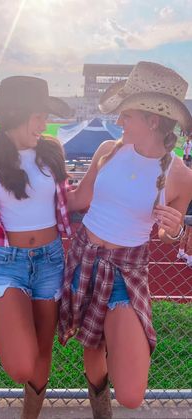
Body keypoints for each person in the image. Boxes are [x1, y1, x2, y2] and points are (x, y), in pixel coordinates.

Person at [58, 61, 192, 418]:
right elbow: (78, 200)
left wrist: (176, 228)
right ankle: (102, 413)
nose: (119, 123)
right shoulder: (108, 150)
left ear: (152, 119)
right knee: (91, 346)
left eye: (126, 114)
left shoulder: (180, 175)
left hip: (126, 273)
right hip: (84, 259)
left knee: (132, 393)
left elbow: (166, 236)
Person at [0, 76, 72, 419]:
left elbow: (68, 197)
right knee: (23, 364)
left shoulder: (52, 151)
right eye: (39, 115)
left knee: (42, 353)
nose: (44, 123)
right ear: (19, 114)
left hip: (51, 260)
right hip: (8, 263)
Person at [177, 200, 192, 267]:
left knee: (186, 233)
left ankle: (181, 252)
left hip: (187, 213)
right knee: (190, 235)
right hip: (190, 214)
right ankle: (190, 259)